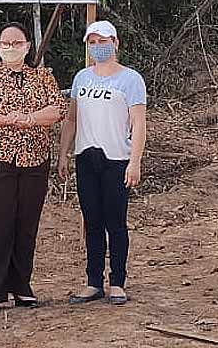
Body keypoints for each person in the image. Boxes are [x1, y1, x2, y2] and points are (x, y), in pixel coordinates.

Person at [0, 22, 67, 315]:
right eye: (5, 43)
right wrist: (9, 120)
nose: (11, 47)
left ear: (27, 46)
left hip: (35, 160)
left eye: (17, 42)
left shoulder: (43, 77)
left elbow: (58, 109)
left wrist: (30, 120)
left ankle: (21, 286)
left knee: (26, 225)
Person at [57, 20, 147, 305]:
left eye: (103, 41)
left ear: (116, 43)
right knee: (92, 222)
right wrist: (63, 153)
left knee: (115, 223)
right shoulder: (82, 78)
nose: (98, 47)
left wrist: (135, 162)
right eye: (93, 42)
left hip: (116, 159)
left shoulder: (131, 80)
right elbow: (72, 118)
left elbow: (139, 122)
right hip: (87, 157)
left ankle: (117, 282)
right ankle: (93, 281)